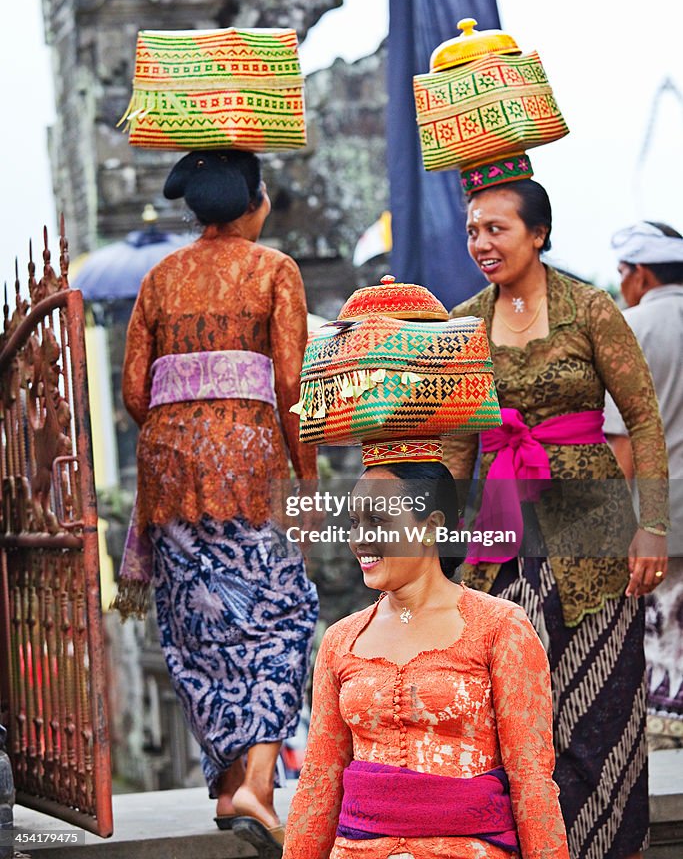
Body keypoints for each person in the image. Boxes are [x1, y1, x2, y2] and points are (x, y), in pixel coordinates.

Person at [443, 179, 669, 859]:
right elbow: (456, 444)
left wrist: (652, 525)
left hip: (593, 537)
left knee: (603, 710)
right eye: (473, 231)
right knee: (515, 714)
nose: (481, 243)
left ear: (537, 234)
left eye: (496, 229)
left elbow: (644, 421)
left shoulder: (589, 308)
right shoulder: (461, 323)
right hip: (502, 538)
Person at [121, 149, 319, 851]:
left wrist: (187, 424)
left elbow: (135, 394)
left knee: (199, 630)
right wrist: (308, 481)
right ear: (253, 202)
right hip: (249, 471)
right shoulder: (273, 271)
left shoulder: (159, 277)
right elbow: (293, 387)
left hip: (169, 476)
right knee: (280, 617)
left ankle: (228, 788)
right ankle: (259, 788)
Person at [283, 459, 570, 859]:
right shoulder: (339, 640)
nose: (359, 539)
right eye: (353, 522)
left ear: (432, 526)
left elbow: (532, 780)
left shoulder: (500, 627)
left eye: (377, 521)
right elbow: (318, 782)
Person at [604, 221, 683, 748]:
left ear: (639, 274)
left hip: (660, 520)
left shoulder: (631, 328)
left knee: (662, 647)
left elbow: (623, 444)